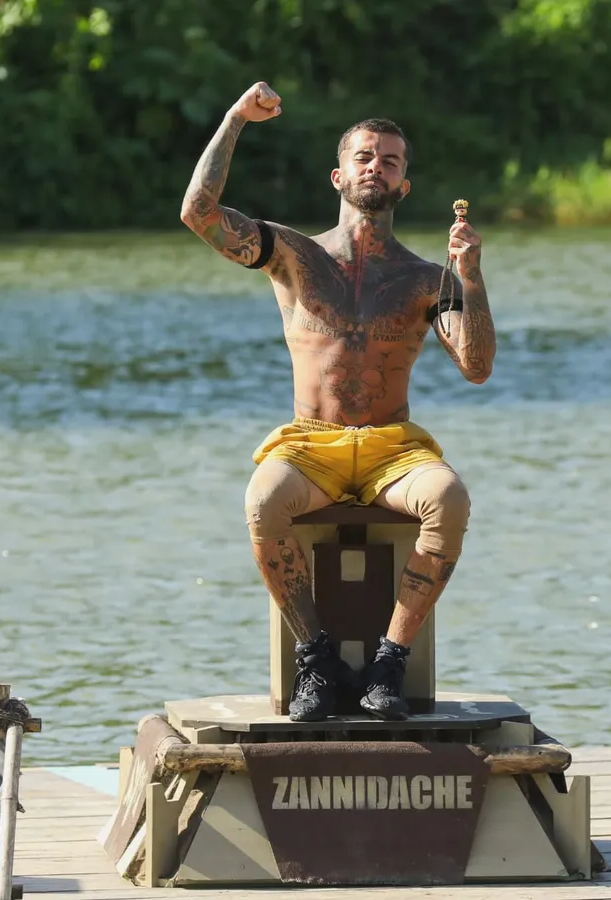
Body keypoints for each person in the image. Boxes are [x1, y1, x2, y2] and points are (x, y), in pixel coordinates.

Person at [180, 82, 496, 723]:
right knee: (263, 501)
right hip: (310, 443)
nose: (376, 167)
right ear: (339, 175)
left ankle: (389, 662)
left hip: (392, 449)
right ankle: (316, 659)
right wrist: (236, 118)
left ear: (404, 185)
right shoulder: (293, 255)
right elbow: (199, 212)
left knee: (449, 498)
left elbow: (476, 366)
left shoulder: (425, 278)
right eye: (364, 157)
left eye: (390, 161)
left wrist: (470, 276)